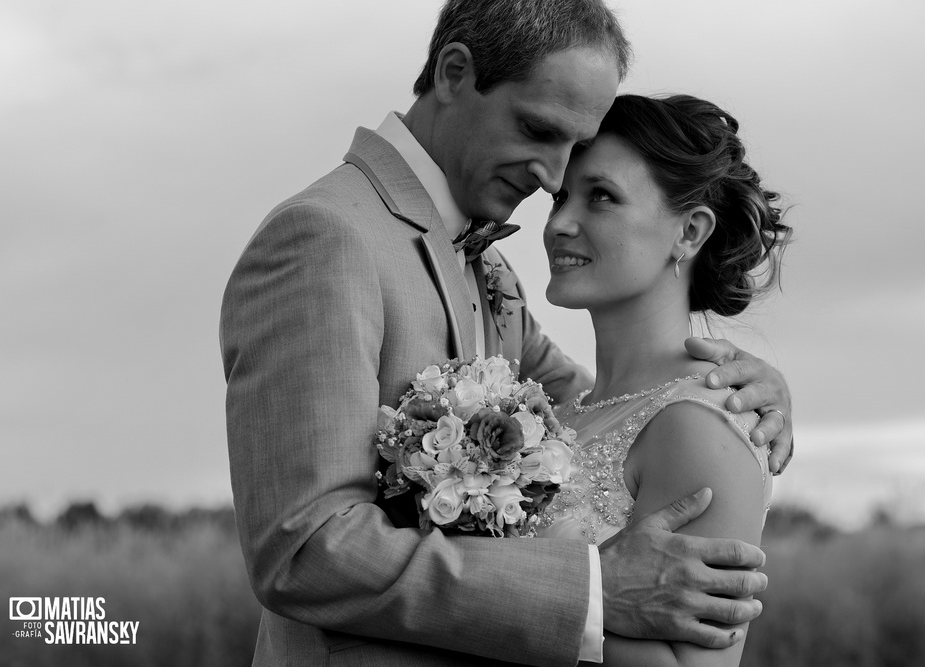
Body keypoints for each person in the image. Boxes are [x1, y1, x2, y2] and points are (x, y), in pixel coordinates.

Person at [220, 1, 793, 665]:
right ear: (455, 72)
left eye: (577, 158)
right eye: (537, 129)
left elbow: (608, 416)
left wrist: (742, 388)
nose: (551, 178)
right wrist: (595, 594)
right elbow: (304, 549)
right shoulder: (327, 238)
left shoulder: (489, 270)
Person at [536, 93, 791, 666]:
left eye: (600, 196)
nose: (559, 223)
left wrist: (492, 608)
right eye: (560, 197)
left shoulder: (700, 426)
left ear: (690, 232)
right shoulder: (564, 407)